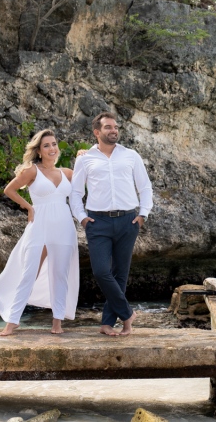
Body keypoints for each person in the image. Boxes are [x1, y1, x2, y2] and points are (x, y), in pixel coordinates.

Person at [0, 129, 80, 336]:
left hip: (64, 226)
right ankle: (12, 321)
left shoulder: (68, 173)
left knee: (60, 274)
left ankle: (57, 323)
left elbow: (91, 177)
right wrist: (29, 207)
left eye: (54, 144)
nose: (52, 148)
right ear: (38, 150)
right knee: (29, 272)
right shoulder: (32, 171)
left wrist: (84, 156)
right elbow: (9, 190)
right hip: (39, 224)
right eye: (46, 145)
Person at [70, 112, 153, 336]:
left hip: (128, 220)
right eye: (108, 127)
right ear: (97, 132)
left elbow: (145, 187)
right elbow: (76, 192)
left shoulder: (131, 156)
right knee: (100, 271)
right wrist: (83, 218)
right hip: (98, 222)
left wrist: (143, 214)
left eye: (115, 127)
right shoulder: (85, 158)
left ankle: (109, 324)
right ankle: (127, 312)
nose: (113, 130)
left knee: (120, 275)